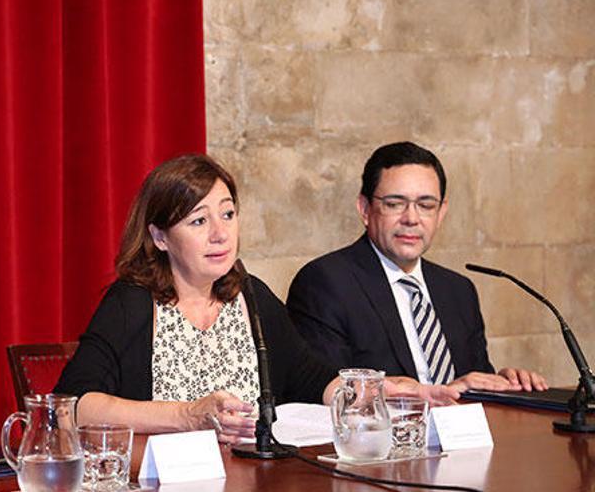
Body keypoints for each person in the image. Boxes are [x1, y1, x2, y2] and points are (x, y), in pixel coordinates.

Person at [55, 153, 459, 444]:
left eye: (228, 214)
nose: (220, 233)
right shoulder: (133, 303)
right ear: (160, 237)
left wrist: (384, 391)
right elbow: (70, 409)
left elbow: (311, 379)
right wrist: (187, 415)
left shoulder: (250, 296)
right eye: (199, 220)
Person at [286, 142, 548, 393]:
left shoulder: (458, 290)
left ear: (441, 213)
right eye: (394, 204)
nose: (411, 219)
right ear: (365, 209)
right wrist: (444, 392)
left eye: (425, 205)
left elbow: (475, 381)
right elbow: (331, 392)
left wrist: (504, 384)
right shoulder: (325, 283)